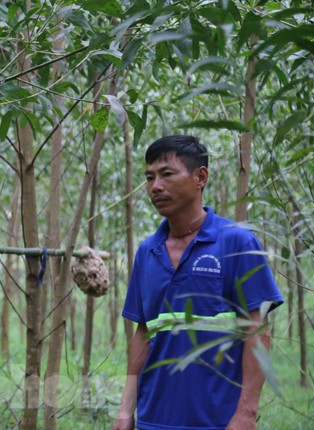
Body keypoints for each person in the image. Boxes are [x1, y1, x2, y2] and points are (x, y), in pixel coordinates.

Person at [113, 135, 283, 430]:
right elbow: (143, 333)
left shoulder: (237, 243)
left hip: (217, 421)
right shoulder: (146, 252)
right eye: (150, 177)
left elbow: (258, 329)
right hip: (153, 419)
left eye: (167, 174)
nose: (155, 186)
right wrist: (126, 410)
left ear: (200, 177)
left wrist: (246, 413)